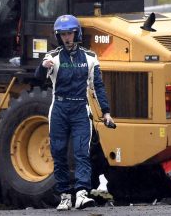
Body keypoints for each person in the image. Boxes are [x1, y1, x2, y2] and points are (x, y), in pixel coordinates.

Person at [35, 14, 114, 211]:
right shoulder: (52, 57)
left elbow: (98, 86)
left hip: (80, 109)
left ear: (76, 33)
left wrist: (106, 112)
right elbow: (37, 78)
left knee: (81, 153)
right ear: (58, 36)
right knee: (59, 153)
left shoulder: (90, 57)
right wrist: (42, 66)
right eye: (63, 35)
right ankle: (64, 196)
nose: (67, 38)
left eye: (69, 33)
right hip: (59, 109)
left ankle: (81, 194)